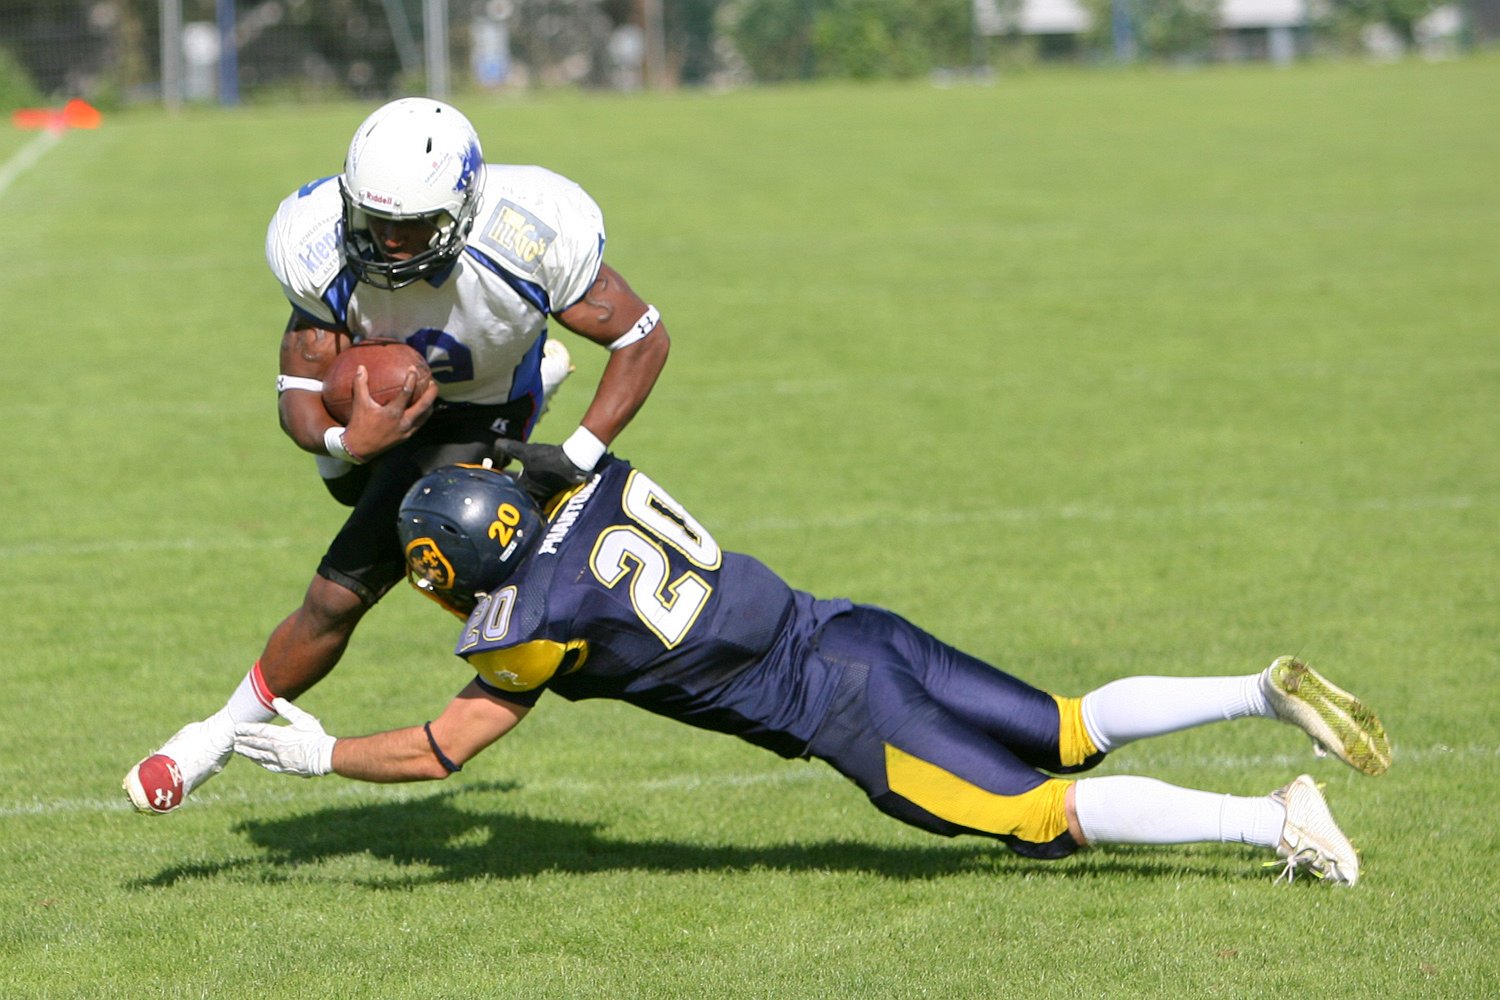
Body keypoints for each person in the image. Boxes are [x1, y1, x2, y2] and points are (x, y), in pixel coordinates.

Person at [233, 450, 1391, 885]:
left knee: (1040, 814)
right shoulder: (587, 483)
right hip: (854, 628)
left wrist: (323, 754)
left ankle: (1272, 820)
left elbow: (445, 748)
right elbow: (538, 458)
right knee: (1067, 721)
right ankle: (1258, 691)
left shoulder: (533, 620)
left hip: (841, 710)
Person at [124, 97, 670, 813]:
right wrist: (346, 441)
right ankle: (424, 431)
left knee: (342, 593)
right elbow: (299, 396)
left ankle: (213, 738)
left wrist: (575, 455)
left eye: (413, 224)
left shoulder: (530, 233)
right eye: (375, 219)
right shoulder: (317, 240)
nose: (388, 239)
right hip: (375, 402)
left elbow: (642, 338)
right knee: (349, 481)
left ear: (462, 208)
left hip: (480, 407)